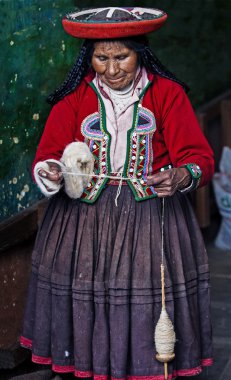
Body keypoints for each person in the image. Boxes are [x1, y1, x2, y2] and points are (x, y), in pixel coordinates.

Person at [20, 7, 214, 380]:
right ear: (88, 58)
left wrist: (181, 175)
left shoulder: (167, 94)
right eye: (101, 58)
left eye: (121, 57)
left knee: (143, 296)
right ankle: (86, 367)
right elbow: (48, 153)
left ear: (141, 53)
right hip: (82, 223)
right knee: (87, 298)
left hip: (150, 218)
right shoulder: (75, 97)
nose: (111, 69)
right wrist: (51, 171)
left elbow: (200, 158)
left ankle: (142, 370)